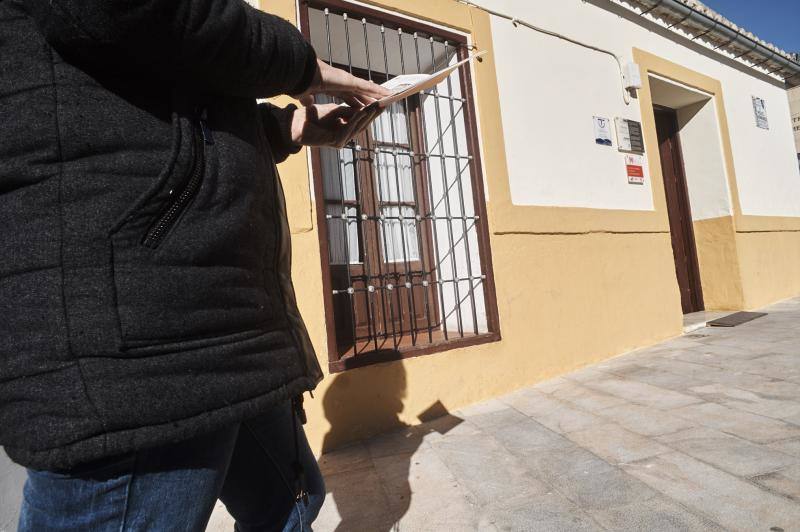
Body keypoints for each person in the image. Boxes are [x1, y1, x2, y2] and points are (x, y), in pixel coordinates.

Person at [0, 0, 390, 530]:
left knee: (291, 502)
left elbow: (181, 103)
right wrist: (301, 65)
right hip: (145, 327)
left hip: (220, 320)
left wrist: (287, 130)